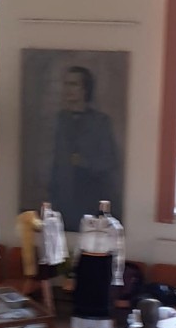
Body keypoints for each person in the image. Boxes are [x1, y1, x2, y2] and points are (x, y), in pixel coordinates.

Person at [48, 65, 123, 230]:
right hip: (63, 199)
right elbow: (56, 160)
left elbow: (109, 160)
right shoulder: (61, 119)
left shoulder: (100, 122)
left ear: (85, 89)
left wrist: (83, 161)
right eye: (66, 84)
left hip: (90, 197)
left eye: (73, 84)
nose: (68, 89)